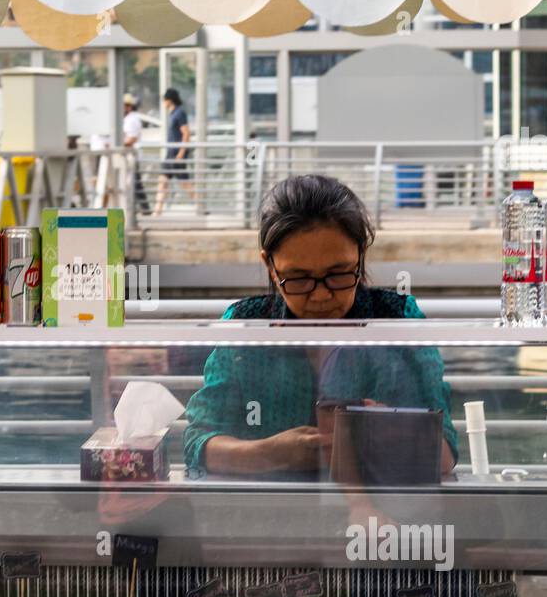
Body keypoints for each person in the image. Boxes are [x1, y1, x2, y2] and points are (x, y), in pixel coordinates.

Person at [183, 174, 458, 477]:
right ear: (269, 267)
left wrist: (383, 430)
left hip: (384, 517)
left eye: (339, 274)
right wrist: (268, 454)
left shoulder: (398, 318)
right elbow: (198, 441)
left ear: (360, 256)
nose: (321, 295)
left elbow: (444, 454)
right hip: (268, 513)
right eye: (299, 278)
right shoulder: (245, 325)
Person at [155, 87, 193, 215]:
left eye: (164, 100)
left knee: (185, 183)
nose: (163, 103)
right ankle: (157, 210)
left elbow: (186, 133)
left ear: (170, 100)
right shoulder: (172, 114)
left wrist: (181, 153)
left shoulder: (179, 113)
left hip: (176, 153)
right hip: (170, 153)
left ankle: (201, 206)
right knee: (163, 181)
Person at [122, 92, 151, 214]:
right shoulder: (127, 119)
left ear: (128, 106)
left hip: (132, 157)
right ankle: (141, 209)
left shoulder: (131, 120)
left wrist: (117, 144)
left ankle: (143, 209)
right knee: (134, 184)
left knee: (135, 184)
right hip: (128, 156)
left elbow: (131, 139)